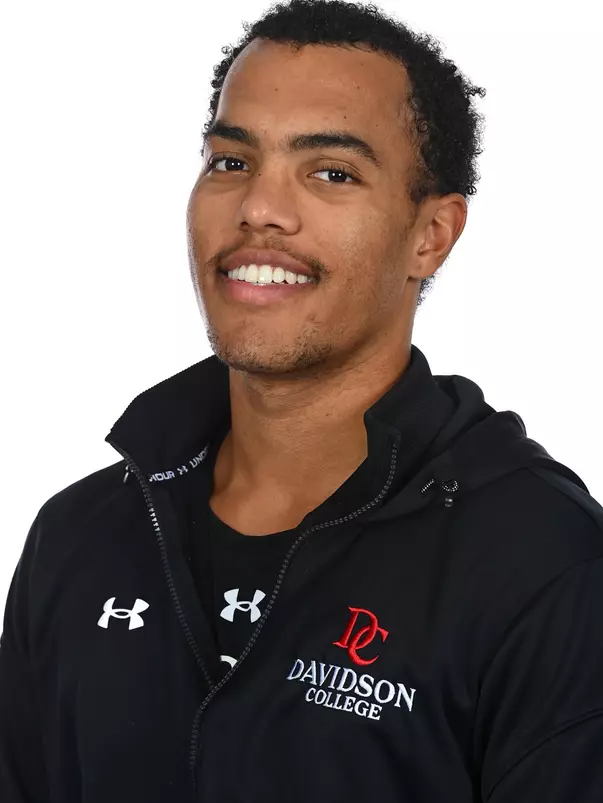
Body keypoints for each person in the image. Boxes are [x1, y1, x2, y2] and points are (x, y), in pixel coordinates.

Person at [2, 0, 603, 800]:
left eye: (331, 173)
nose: (258, 208)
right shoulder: (80, 537)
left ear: (430, 233)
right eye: (230, 161)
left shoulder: (545, 568)